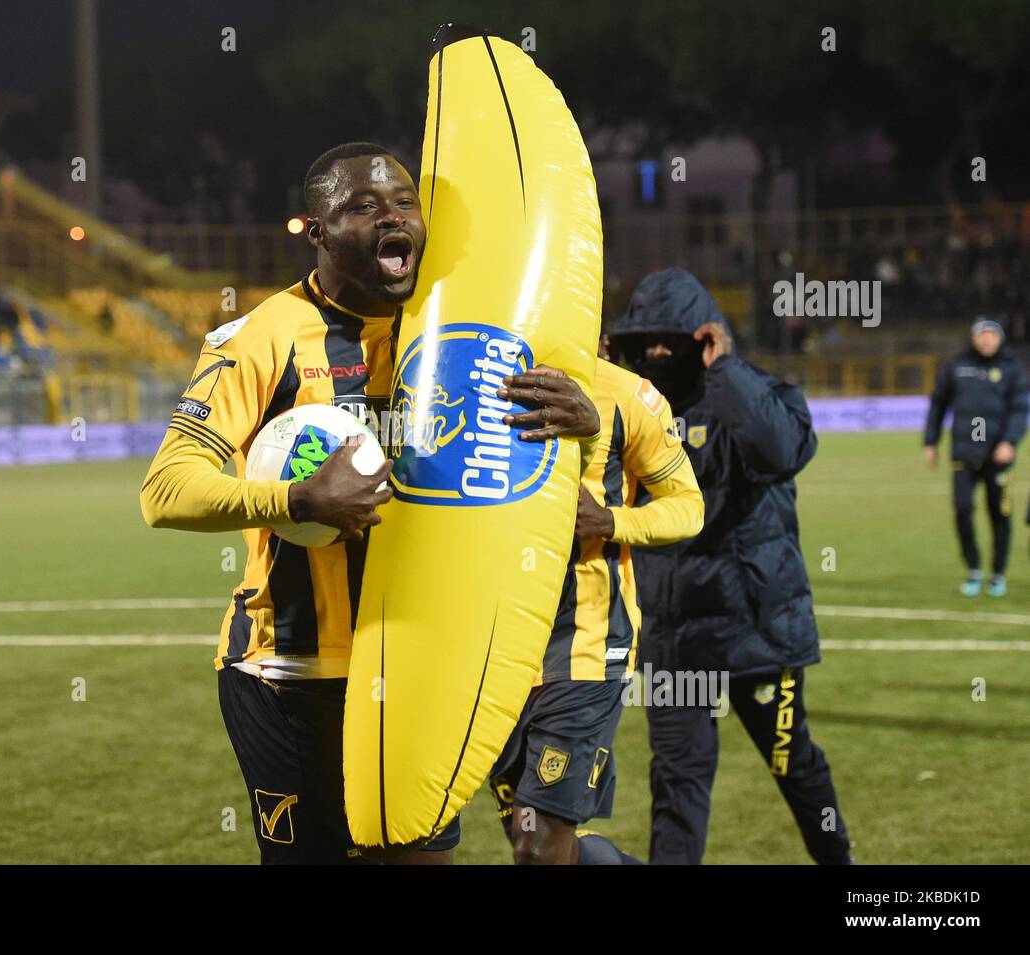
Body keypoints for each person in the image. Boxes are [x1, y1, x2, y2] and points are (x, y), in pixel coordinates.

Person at [139, 142, 600, 864]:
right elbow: (165, 489)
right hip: (293, 675)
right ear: (317, 231)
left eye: (404, 201)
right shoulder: (265, 337)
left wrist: (584, 426)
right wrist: (296, 498)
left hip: (416, 663)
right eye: (363, 205)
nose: (394, 216)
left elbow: (511, 473)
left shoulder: (453, 332)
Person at [607, 267, 852, 865]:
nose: (660, 354)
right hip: (673, 637)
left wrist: (726, 373)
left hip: (756, 633)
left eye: (672, 340)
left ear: (707, 337)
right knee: (677, 780)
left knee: (793, 763)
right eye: (647, 344)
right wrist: (606, 374)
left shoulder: (761, 394)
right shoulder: (633, 412)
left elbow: (778, 451)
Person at [489, 356, 703, 865]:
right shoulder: (474, 375)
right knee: (529, 830)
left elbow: (689, 506)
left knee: (537, 842)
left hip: (585, 644)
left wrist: (611, 521)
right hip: (492, 646)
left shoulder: (627, 395)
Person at [924, 318, 1028, 597]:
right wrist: (931, 440)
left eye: (991, 335)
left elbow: (1021, 409)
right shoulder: (957, 367)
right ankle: (973, 568)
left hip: (998, 456)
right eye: (982, 335)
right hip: (964, 454)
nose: (986, 340)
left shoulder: (1011, 369)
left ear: (1000, 339)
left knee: (1000, 515)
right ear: (973, 338)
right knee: (962, 509)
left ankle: (997, 573)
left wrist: (1009, 442)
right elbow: (938, 403)